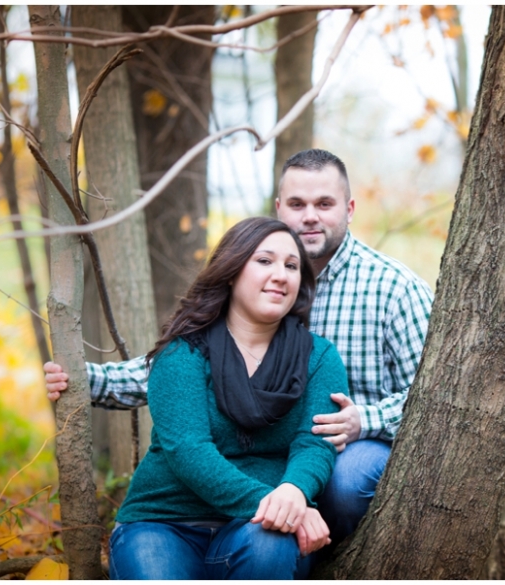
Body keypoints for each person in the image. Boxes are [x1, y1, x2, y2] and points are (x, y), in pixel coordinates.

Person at [45, 149, 435, 545]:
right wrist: (84, 380)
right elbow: (184, 368)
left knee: (347, 476)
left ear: (349, 209)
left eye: (325, 204)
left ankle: (337, 558)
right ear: (279, 208)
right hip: (269, 469)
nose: (310, 216)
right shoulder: (255, 281)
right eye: (297, 204)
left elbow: (432, 400)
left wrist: (363, 421)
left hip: (353, 448)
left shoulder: (394, 289)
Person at [105, 217, 349, 579]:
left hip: (260, 532)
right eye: (264, 261)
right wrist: (285, 508)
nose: (281, 275)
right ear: (232, 271)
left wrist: (296, 490)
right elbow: (189, 451)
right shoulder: (182, 353)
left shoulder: (319, 357)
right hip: (165, 523)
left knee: (272, 542)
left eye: (292, 265)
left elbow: (314, 443)